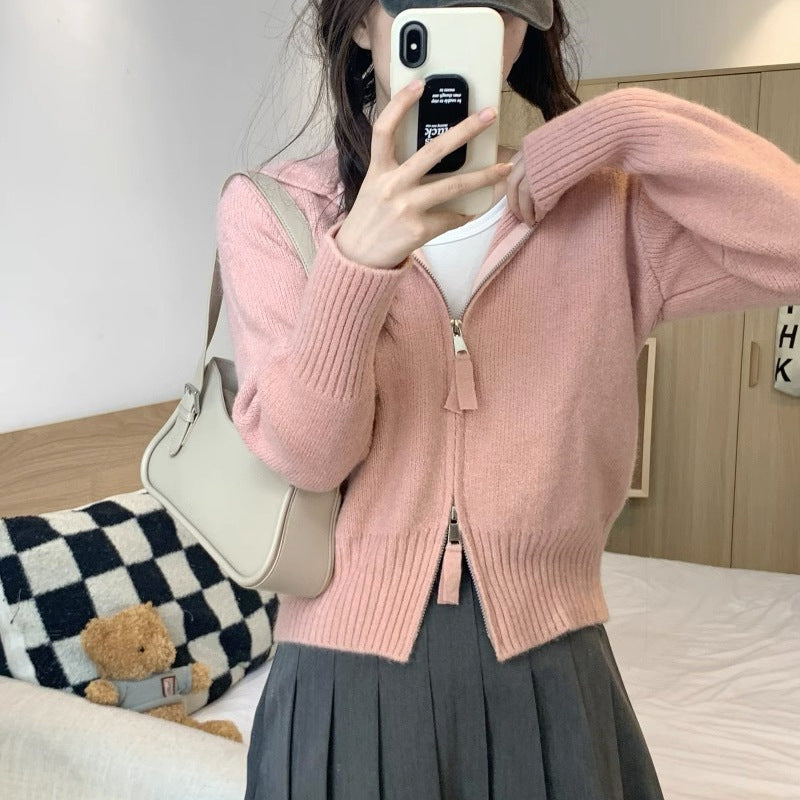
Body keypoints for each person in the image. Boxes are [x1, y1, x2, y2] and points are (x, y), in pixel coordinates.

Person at [216, 1, 800, 798]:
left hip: (551, 663)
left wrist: (628, 123)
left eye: (494, 6)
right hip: (344, 679)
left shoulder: (605, 208)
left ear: (529, 28)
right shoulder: (276, 211)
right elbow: (306, 456)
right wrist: (357, 262)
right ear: (358, 23)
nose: (463, 19)